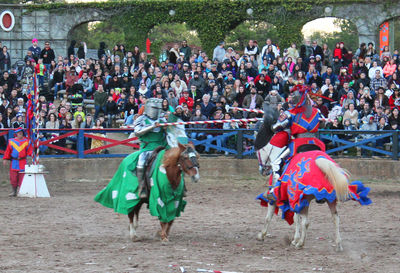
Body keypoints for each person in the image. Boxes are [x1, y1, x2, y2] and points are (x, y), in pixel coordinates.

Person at [133, 98, 168, 198]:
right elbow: (137, 132)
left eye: (158, 108)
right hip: (147, 148)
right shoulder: (141, 119)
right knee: (141, 163)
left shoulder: (162, 119)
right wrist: (152, 127)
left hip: (161, 147)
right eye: (154, 108)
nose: (156, 111)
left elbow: (168, 133)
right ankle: (142, 187)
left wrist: (167, 128)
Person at [2, 127, 33, 197]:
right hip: (14, 162)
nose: (20, 134)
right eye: (19, 133)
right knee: (13, 177)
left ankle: (21, 191)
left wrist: (32, 157)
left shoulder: (27, 141)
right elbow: (8, 151)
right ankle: (14, 191)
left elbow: (30, 151)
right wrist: (5, 159)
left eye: (21, 133)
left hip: (23, 161)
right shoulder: (11, 141)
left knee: (22, 177)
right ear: (16, 134)